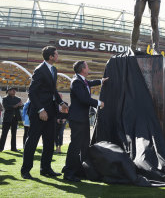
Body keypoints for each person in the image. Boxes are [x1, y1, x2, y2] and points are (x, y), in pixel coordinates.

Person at [21, 46, 68, 179]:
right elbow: (32, 92)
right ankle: (25, 170)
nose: (58, 56)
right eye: (56, 54)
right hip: (38, 113)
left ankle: (46, 169)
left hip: (51, 112)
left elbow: (53, 90)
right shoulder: (39, 70)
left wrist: (61, 103)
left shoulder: (54, 69)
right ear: (51, 57)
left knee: (49, 142)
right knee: (32, 142)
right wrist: (41, 110)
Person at [63, 60, 108, 182]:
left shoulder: (82, 80)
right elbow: (84, 98)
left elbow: (90, 83)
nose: (89, 68)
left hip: (82, 119)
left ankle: (80, 170)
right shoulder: (76, 81)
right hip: (77, 119)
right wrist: (99, 103)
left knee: (84, 145)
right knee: (75, 146)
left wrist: (101, 81)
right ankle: (68, 173)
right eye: (87, 67)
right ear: (83, 69)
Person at [0, 87, 23, 152]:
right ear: (8, 91)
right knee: (4, 134)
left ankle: (13, 148)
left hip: (15, 118)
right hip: (7, 118)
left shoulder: (18, 99)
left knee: (14, 134)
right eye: (12, 90)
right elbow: (6, 107)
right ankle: (1, 148)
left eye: (15, 90)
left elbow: (21, 107)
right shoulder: (5, 99)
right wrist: (16, 105)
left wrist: (21, 105)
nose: (14, 91)